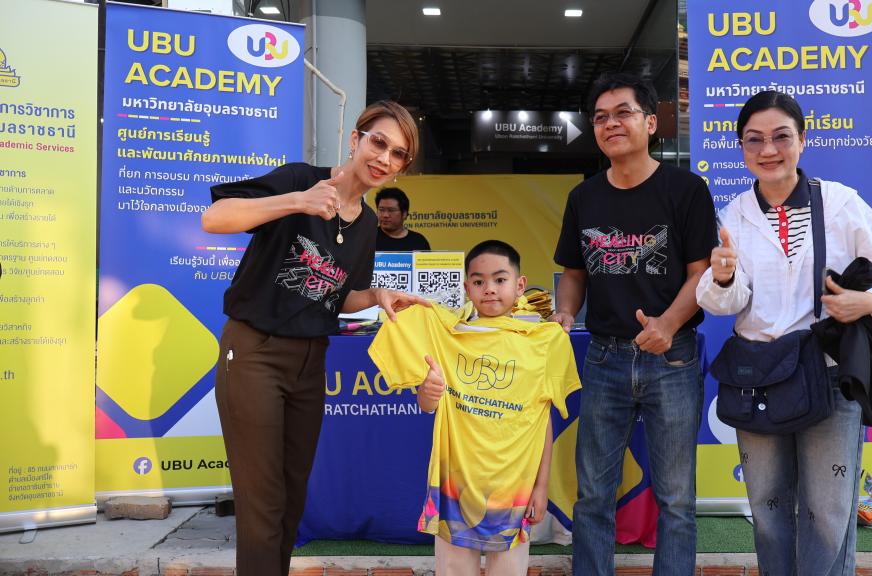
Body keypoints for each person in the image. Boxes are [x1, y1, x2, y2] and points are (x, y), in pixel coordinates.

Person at [201, 101, 428, 576]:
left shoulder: (368, 224)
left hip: (310, 361)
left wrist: (375, 295)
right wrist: (296, 202)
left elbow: (338, 296)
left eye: (398, 154)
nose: (384, 158)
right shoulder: (300, 179)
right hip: (255, 352)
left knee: (291, 496)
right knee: (262, 500)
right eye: (379, 142)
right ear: (355, 139)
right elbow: (215, 217)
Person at [695, 90, 872, 576]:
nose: (768, 150)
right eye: (754, 140)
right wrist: (724, 277)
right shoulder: (734, 215)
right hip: (759, 380)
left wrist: (868, 302)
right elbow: (726, 302)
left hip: (827, 376)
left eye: (781, 137)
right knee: (768, 511)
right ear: (741, 147)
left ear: (802, 140)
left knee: (828, 515)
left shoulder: (839, 203)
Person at [550, 72, 718, 575]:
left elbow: (702, 272)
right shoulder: (584, 197)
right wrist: (565, 312)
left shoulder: (686, 189)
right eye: (600, 117)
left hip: (673, 357)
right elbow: (573, 272)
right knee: (593, 496)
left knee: (676, 499)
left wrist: (667, 323)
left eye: (623, 113)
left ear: (650, 123)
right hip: (604, 357)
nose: (610, 124)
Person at [368, 240, 581, 576]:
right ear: (467, 288)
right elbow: (427, 404)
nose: (489, 289)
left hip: (515, 489)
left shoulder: (544, 341)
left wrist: (541, 487)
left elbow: (542, 419)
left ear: (520, 284)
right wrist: (428, 392)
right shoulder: (446, 333)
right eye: (479, 281)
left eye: (500, 279)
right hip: (454, 486)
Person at [376, 186, 431, 251]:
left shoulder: (419, 241)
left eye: (391, 210)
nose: (385, 215)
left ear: (404, 214)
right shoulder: (369, 238)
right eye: (381, 210)